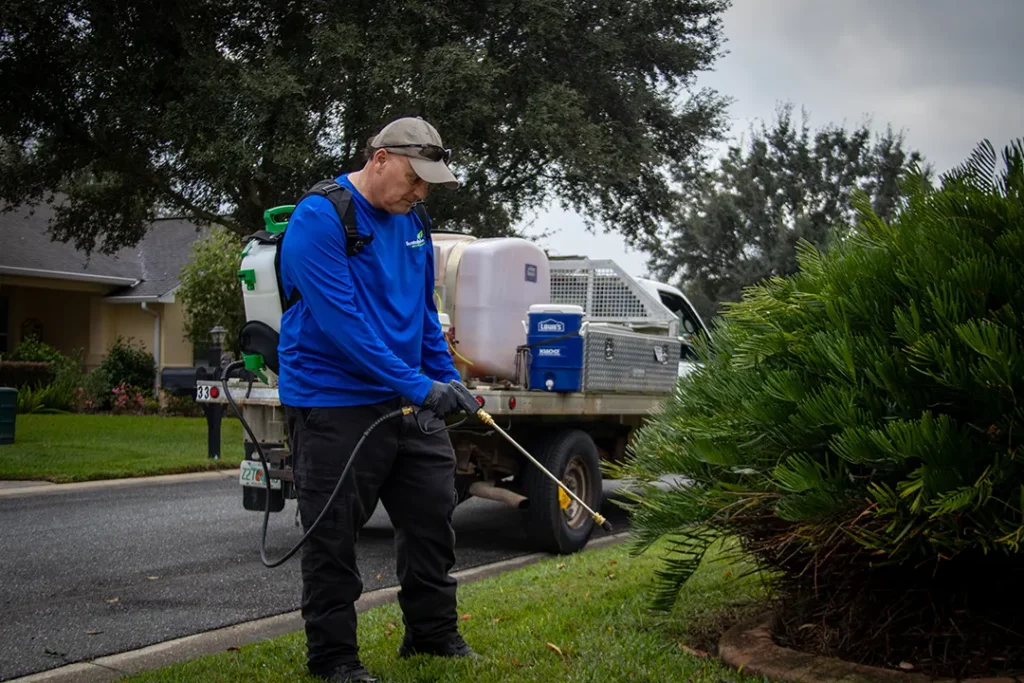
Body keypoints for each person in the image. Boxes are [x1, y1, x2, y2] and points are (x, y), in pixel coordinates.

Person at [277, 116, 478, 682]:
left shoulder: (413, 219)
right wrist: (419, 385)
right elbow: (344, 326)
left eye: (428, 185)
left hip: (405, 398)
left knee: (433, 518)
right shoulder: (319, 216)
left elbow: (419, 313)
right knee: (334, 536)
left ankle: (432, 637)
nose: (420, 192)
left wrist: (445, 379)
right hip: (334, 400)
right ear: (381, 157)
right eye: (416, 178)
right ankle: (335, 660)